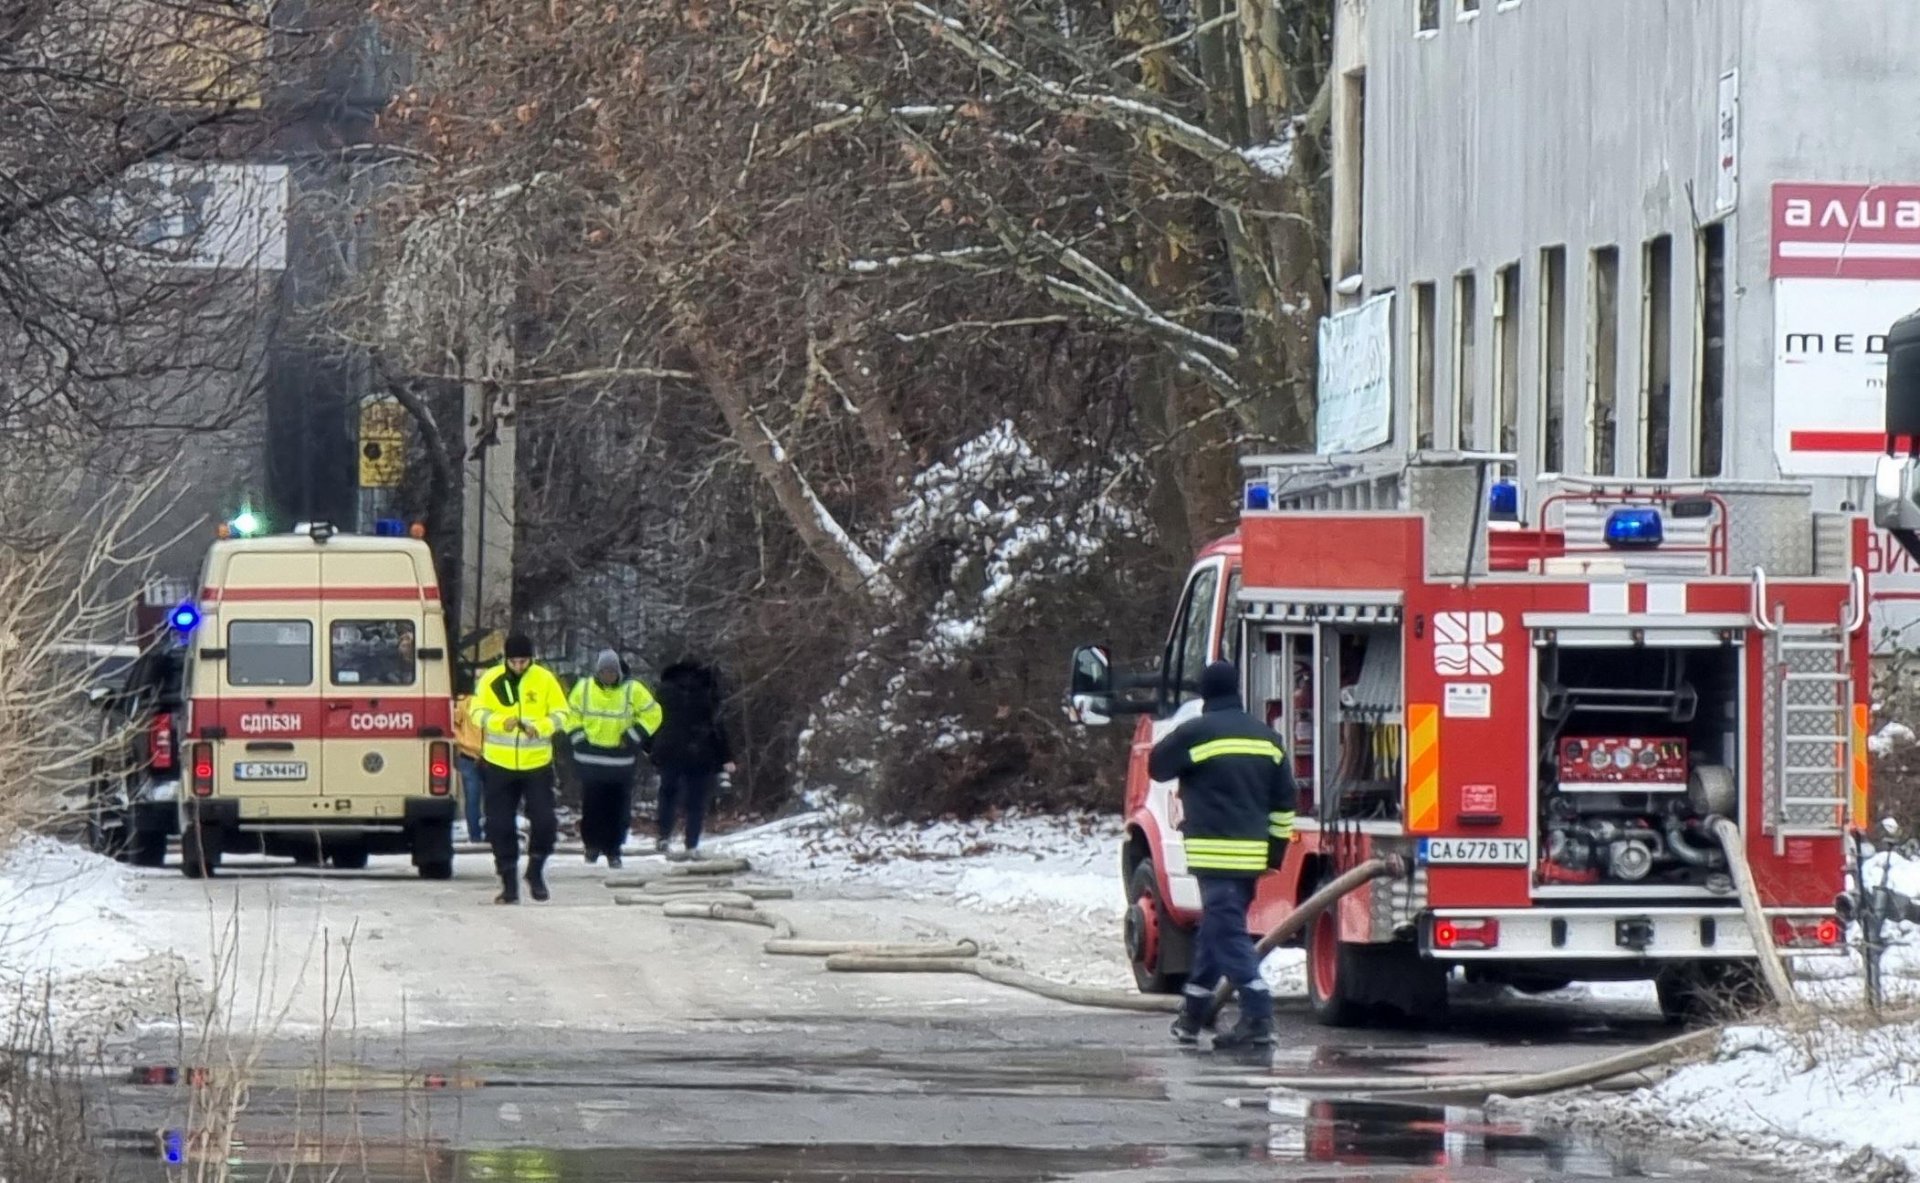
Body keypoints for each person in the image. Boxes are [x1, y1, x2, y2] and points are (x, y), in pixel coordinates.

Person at [1149, 659, 1297, 1050]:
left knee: (1228, 934)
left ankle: (1258, 1013)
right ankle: (1192, 1015)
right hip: (1250, 859)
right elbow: (1284, 805)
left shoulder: (1195, 734)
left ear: (1204, 693)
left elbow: (1157, 768)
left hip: (1211, 856)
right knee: (1216, 931)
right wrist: (1274, 854)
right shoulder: (1268, 739)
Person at [469, 633, 572, 903]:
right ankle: (509, 882)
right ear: (506, 659)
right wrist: (499, 721)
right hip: (499, 765)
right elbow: (476, 711)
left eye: (523, 661)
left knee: (545, 821)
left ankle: (535, 870)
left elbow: (562, 713)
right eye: (513, 661)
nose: (518, 666)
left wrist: (542, 727)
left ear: (531, 658)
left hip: (536, 763)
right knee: (499, 824)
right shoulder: (491, 679)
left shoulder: (545, 679)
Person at [566, 650, 663, 869]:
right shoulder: (584, 688)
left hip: (620, 760)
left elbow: (654, 713)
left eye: (611, 671)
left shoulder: (633, 690)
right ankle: (591, 846)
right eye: (603, 671)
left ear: (618, 672)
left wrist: (633, 735)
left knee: (618, 808)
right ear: (597, 672)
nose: (607, 675)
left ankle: (613, 849)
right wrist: (578, 738)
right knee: (592, 806)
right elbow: (570, 715)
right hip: (590, 758)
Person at [649, 658, 733, 857]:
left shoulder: (663, 691)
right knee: (697, 801)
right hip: (701, 751)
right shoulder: (708, 691)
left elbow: (652, 722)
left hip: (670, 751)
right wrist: (726, 756)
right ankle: (692, 842)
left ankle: (663, 836)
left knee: (668, 794)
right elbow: (717, 727)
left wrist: (650, 748)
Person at [452, 669, 486, 845]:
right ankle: (480, 834)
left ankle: (482, 834)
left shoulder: (462, 704)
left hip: (479, 756)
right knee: (480, 798)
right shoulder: (468, 703)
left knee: (481, 799)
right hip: (477, 756)